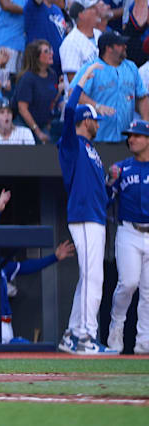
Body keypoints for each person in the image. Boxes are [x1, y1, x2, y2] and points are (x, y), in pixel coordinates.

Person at [57, 62, 113, 355]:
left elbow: (99, 192)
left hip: (96, 215)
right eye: (93, 120)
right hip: (83, 216)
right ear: (85, 121)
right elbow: (68, 110)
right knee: (94, 278)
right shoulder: (71, 142)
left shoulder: (92, 150)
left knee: (87, 276)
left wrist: (112, 187)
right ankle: (86, 337)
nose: (96, 124)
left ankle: (70, 335)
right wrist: (83, 79)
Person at [0, 189, 74, 344]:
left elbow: (28, 266)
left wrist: (54, 257)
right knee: (21, 349)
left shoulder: (2, 266)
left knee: (20, 352)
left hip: (7, 323)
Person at [106, 119, 149, 355]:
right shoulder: (121, 168)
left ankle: (144, 340)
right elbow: (106, 200)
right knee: (129, 283)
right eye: (130, 136)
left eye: (137, 135)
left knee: (148, 291)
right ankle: (116, 326)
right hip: (129, 231)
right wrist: (109, 181)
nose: (131, 139)